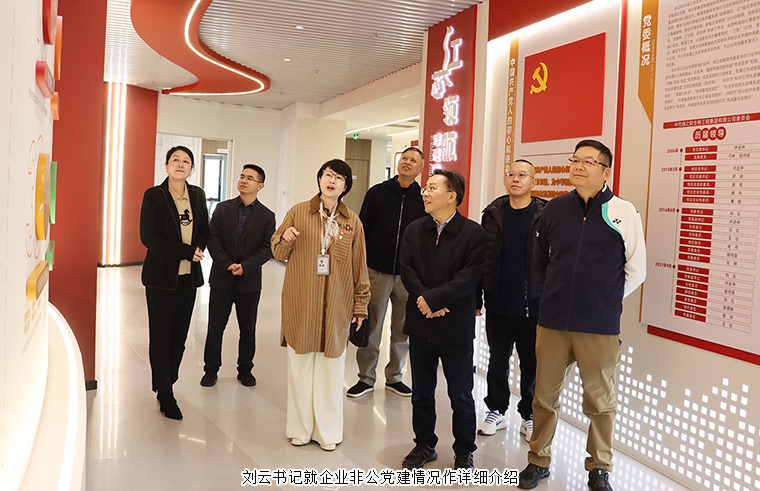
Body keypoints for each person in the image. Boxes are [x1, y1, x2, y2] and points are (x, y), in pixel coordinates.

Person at [517, 140, 646, 491]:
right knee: (543, 397)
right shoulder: (555, 209)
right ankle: (538, 460)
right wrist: (547, 298)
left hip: (598, 326)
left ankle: (599, 468)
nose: (578, 166)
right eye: (575, 160)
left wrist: (605, 300)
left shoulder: (623, 212)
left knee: (600, 402)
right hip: (553, 322)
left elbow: (637, 269)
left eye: (588, 161)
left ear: (606, 172)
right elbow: (540, 259)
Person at [271, 159, 370, 451]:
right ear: (319, 179)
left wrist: (360, 305)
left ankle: (327, 432)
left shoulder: (352, 222)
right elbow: (277, 251)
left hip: (337, 306)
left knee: (331, 373)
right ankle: (300, 429)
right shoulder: (298, 212)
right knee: (300, 370)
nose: (332, 181)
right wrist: (285, 237)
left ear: (345, 186)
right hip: (302, 302)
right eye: (328, 175)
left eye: (339, 178)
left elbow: (360, 267)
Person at [399, 169, 486, 470]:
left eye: (432, 187)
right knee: (421, 393)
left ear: (452, 196)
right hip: (420, 323)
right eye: (425, 187)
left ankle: (464, 450)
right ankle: (424, 444)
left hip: (455, 327)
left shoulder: (473, 234)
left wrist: (433, 301)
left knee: (460, 394)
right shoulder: (414, 229)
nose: (425, 192)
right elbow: (407, 269)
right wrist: (425, 300)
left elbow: (468, 278)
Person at [347, 147, 426, 398]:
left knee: (402, 330)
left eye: (413, 160)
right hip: (376, 271)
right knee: (371, 327)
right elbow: (362, 229)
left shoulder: (423, 198)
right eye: (405, 158)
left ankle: (394, 377)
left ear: (420, 169)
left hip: (408, 276)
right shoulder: (377, 193)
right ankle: (366, 378)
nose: (407, 162)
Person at [476, 159, 546, 441]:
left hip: (534, 306)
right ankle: (497, 410)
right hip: (499, 303)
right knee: (497, 361)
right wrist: (478, 296)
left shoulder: (545, 214)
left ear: (533, 181)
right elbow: (481, 258)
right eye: (511, 174)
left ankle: (529, 415)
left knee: (532, 363)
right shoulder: (493, 214)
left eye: (522, 175)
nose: (515, 179)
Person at [140, 146, 210, 420]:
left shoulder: (197, 195)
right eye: (175, 160)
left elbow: (204, 229)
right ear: (167, 166)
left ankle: (167, 380)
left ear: (191, 168)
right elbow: (149, 237)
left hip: (188, 279)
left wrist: (198, 248)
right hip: (160, 278)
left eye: (186, 161)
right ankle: (166, 393)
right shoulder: (154, 195)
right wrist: (185, 251)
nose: (181, 164)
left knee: (179, 336)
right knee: (161, 336)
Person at [200, 164, 275, 388]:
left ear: (260, 186)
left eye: (250, 178)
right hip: (222, 279)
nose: (243, 180)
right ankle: (211, 370)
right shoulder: (223, 209)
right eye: (242, 176)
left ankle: (245, 369)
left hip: (249, 282)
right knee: (215, 328)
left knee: (248, 329)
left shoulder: (267, 216)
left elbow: (267, 248)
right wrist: (227, 264)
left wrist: (245, 267)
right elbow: (213, 239)